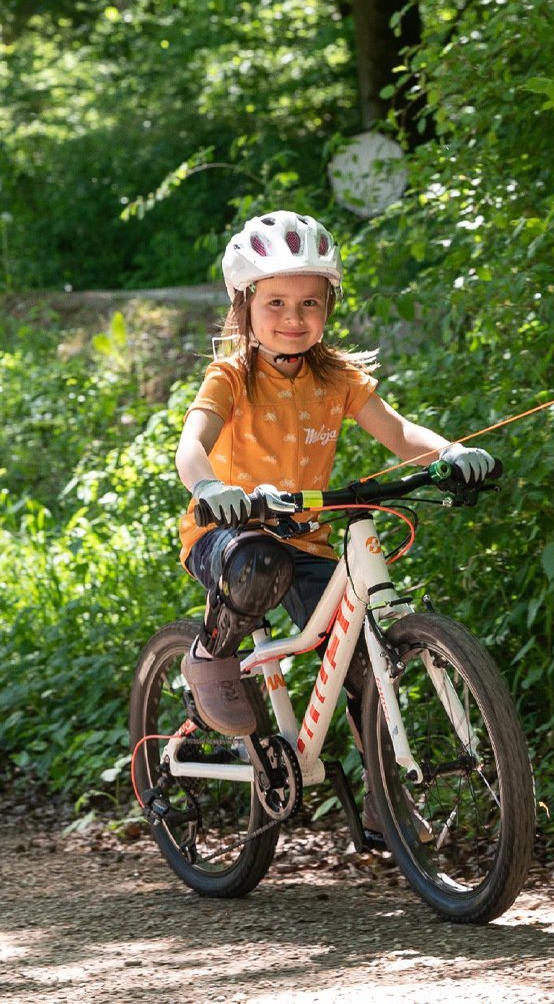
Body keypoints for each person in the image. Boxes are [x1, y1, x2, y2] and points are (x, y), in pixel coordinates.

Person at [175, 210, 496, 748]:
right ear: (245, 305)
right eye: (275, 302)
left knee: (367, 662)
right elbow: (191, 446)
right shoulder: (231, 376)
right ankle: (211, 656)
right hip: (226, 536)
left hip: (306, 539)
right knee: (259, 561)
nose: (293, 317)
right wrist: (210, 489)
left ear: (328, 307)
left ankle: (385, 798)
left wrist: (452, 453)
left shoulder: (337, 379)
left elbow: (398, 433)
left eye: (310, 303)